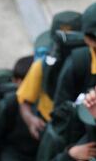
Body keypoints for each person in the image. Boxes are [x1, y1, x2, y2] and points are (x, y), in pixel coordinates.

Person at [17, 10, 83, 140]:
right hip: (52, 125)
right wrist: (31, 120)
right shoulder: (43, 66)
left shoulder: (89, 62)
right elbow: (25, 101)